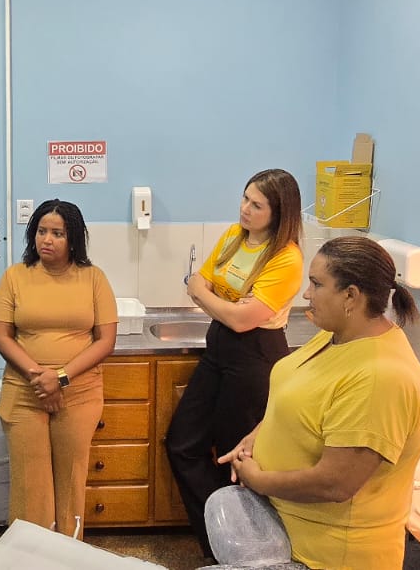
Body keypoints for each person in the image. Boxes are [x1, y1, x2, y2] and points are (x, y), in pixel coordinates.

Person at [218, 236, 420, 570]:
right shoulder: (338, 336)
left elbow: (335, 483)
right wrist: (257, 436)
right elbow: (299, 395)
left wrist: (257, 479)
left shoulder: (380, 376)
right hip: (286, 530)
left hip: (326, 557)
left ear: (351, 296)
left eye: (316, 284)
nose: (307, 294)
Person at [165, 168, 305, 559]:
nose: (245, 209)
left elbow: (242, 319)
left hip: (254, 358)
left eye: (257, 205)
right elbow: (200, 285)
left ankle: (250, 555)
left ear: (279, 213)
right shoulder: (233, 237)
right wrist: (223, 305)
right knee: (182, 444)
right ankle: (220, 543)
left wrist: (209, 297)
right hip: (219, 351)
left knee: (237, 459)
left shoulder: (286, 258)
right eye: (245, 198)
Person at [0, 199, 117, 535]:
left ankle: (67, 551)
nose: (47, 239)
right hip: (24, 391)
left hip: (78, 393)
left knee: (71, 480)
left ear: (73, 238)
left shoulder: (94, 278)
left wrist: (59, 378)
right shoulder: (15, 277)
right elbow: (1, 336)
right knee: (30, 485)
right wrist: (40, 379)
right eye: (41, 231)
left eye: (57, 233)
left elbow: (106, 341)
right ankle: (30, 556)